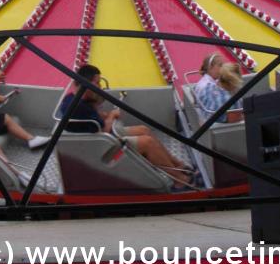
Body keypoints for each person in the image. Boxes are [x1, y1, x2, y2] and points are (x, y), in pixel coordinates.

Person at [59, 65, 192, 185]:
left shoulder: (74, 97)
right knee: (147, 143)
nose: (99, 86)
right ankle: (179, 180)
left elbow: (94, 119)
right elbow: (104, 131)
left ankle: (177, 165)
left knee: (143, 130)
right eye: (97, 83)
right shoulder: (78, 107)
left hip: (100, 138)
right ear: (87, 83)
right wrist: (112, 115)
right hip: (101, 147)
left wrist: (102, 111)